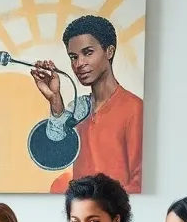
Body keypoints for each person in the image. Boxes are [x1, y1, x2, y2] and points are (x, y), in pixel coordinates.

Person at [30, 15, 143, 192]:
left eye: (88, 53)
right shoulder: (80, 109)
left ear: (109, 51)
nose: (79, 64)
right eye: (73, 57)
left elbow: (139, 182)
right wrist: (54, 99)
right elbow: (54, 155)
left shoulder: (134, 108)